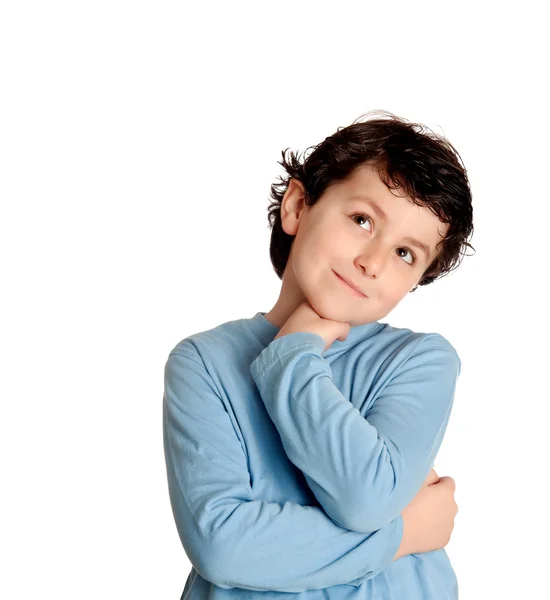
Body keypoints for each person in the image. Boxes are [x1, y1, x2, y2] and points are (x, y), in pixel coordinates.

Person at [162, 109, 475, 599]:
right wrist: (404, 533)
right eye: (362, 219)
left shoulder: (420, 361)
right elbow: (222, 546)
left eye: (406, 253)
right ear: (298, 206)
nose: (371, 263)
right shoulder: (204, 362)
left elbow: (365, 497)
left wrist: (291, 356)